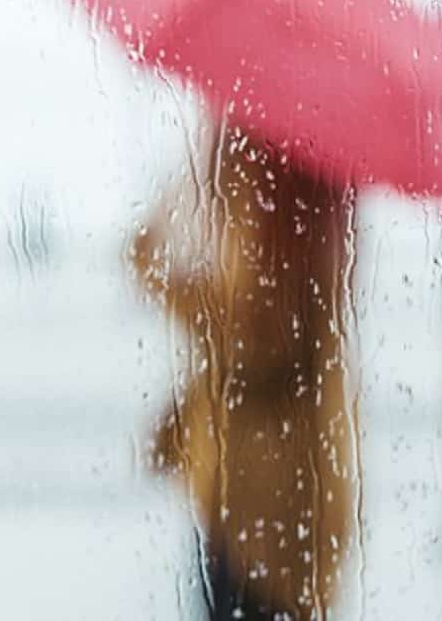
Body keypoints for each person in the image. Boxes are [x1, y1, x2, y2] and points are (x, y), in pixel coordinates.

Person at [130, 124, 358, 620]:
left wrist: (164, 271)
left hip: (267, 516)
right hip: (257, 505)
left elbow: (258, 346)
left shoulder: (287, 213)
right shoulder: (304, 206)